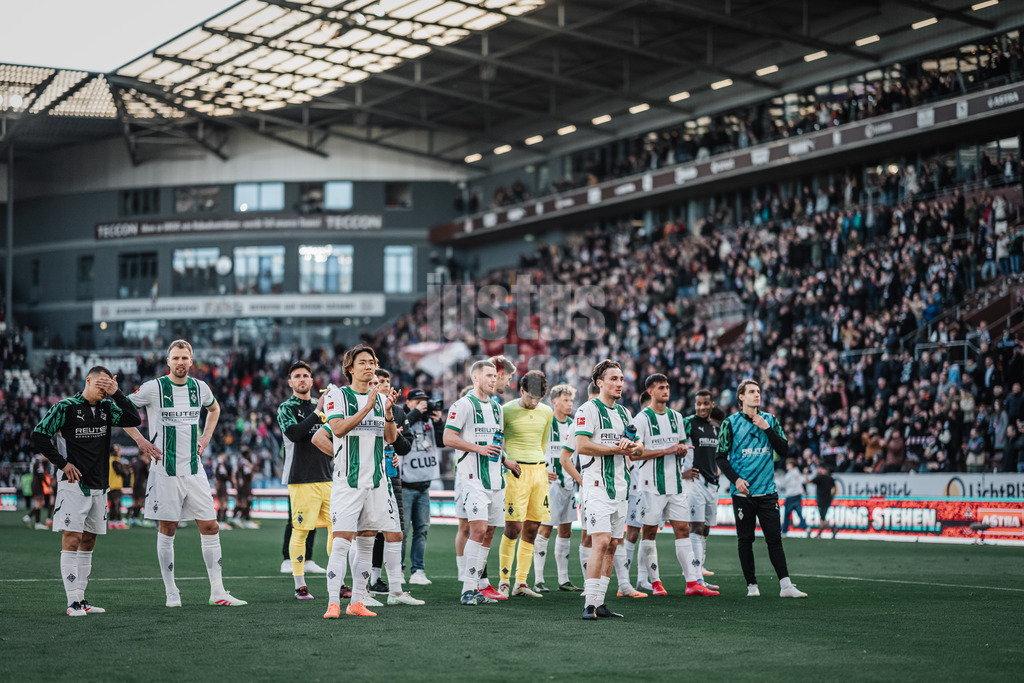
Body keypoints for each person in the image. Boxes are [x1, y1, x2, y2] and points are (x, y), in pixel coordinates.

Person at [124, 339, 247, 608]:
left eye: (184, 358)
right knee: (168, 529)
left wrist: (206, 437)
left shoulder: (200, 388)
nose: (180, 362)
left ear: (191, 361)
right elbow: (120, 409)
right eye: (176, 358)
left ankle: (218, 591)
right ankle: (171, 591)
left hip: (194, 469)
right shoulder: (154, 388)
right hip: (164, 471)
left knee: (211, 526)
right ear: (168, 361)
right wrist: (140, 441)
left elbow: (214, 409)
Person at [31, 365, 141, 616]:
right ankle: (72, 602)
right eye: (101, 384)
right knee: (72, 539)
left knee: (89, 540)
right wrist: (62, 463)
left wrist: (117, 393)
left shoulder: (107, 408)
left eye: (108, 384)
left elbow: (133, 419)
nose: (104, 389)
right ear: (88, 381)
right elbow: (39, 435)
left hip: (100, 485)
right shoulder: (65, 407)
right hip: (73, 485)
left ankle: (81, 598)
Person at [312, 344, 404, 619]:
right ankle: (333, 602)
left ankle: (357, 601)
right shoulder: (338, 395)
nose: (369, 366)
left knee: (366, 543)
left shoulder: (380, 399)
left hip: (377, 482)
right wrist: (367, 408)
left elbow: (390, 438)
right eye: (363, 362)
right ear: (350, 368)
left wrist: (388, 412)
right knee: (341, 542)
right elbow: (338, 429)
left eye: (372, 362)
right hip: (348, 483)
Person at [716, 379, 807, 599]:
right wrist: (736, 480)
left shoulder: (770, 420)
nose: (757, 395)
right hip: (743, 493)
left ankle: (786, 586)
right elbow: (720, 457)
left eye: (758, 391)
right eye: (751, 392)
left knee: (774, 539)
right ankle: (752, 586)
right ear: (741, 396)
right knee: (745, 539)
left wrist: (767, 429)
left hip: (767, 491)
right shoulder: (730, 423)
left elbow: (784, 450)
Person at [631, 374, 716, 597]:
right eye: (661, 387)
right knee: (649, 532)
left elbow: (680, 447)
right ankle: (655, 582)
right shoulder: (641, 420)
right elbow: (633, 454)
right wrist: (666, 450)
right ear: (651, 391)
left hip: (675, 483)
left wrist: (679, 451)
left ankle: (692, 582)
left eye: (667, 387)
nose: (666, 391)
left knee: (683, 530)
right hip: (650, 485)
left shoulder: (676, 417)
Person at [444, 359, 517, 606]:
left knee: (489, 532)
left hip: (496, 479)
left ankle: (478, 587)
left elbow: (495, 443)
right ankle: (467, 589)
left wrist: (505, 460)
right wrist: (479, 448)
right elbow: (448, 438)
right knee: (478, 529)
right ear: (475, 378)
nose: (493, 380)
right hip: (473, 479)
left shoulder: (497, 408)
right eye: (488, 375)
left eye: (495, 376)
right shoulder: (463, 405)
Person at [576, 359, 642, 620]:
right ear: (599, 383)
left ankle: (600, 602)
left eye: (621, 379)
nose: (619, 383)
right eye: (614, 379)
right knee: (601, 541)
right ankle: (588, 605)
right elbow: (582, 445)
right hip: (596, 486)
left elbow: (639, 449)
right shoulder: (588, 409)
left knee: (613, 544)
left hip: (620, 487)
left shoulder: (625, 413)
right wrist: (616, 449)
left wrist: (632, 447)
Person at [276, 360, 332, 600]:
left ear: (312, 381)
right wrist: (318, 412)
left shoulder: (323, 406)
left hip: (327, 477)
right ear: (290, 383)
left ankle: (338, 582)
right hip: (300, 478)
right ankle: (300, 586)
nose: (301, 379)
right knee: (300, 531)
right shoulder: (286, 408)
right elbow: (296, 434)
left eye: (305, 376)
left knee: (337, 530)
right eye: (297, 376)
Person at [498, 370, 553, 599]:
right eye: (530, 397)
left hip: (539, 473)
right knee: (513, 528)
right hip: (516, 474)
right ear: (521, 390)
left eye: (538, 398)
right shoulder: (506, 410)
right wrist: (505, 461)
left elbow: (543, 444)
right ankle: (503, 581)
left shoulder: (547, 412)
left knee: (532, 529)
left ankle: (521, 582)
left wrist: (541, 468)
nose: (534, 402)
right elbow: (496, 441)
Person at [368, 368, 418, 603]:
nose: (384, 384)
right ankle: (366, 584)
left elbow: (406, 446)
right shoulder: (363, 407)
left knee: (394, 531)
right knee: (367, 532)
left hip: (392, 478)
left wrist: (394, 442)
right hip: (367, 477)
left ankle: (391, 587)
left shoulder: (397, 411)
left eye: (386, 380)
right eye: (379, 381)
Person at [533, 383, 580, 593]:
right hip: (549, 484)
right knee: (545, 529)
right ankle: (538, 580)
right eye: (565, 400)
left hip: (568, 484)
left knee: (566, 529)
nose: (570, 404)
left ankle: (564, 579)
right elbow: (532, 448)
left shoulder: (573, 425)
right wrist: (541, 470)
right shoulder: (545, 423)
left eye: (571, 400)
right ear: (554, 402)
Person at [400, 388, 444, 585]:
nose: (423, 405)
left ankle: (418, 570)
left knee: (422, 530)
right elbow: (400, 426)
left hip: (424, 485)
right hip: (405, 484)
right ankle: (398, 570)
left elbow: (442, 442)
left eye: (424, 401)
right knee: (402, 532)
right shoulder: (402, 416)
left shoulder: (429, 420)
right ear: (408, 403)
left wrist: (439, 422)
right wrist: (416, 412)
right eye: (418, 402)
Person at [683, 389, 721, 585]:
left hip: (712, 483)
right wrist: (682, 473)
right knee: (696, 527)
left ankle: (700, 566)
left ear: (712, 405)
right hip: (694, 482)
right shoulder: (687, 423)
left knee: (705, 528)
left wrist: (718, 469)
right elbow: (676, 448)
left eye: (705, 403)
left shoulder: (716, 428)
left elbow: (719, 454)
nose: (701, 407)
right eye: (698, 404)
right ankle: (696, 575)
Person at [779, 458, 807, 535]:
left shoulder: (793, 473)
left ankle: (784, 530)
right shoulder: (794, 472)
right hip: (796, 495)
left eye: (788, 464)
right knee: (798, 513)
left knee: (787, 513)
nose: (786, 466)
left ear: (792, 465)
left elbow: (784, 484)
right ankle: (805, 527)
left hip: (792, 495)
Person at [232, 447, 258, 529]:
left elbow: (234, 472)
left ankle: (235, 518)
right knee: (247, 502)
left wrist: (235, 481)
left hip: (240, 485)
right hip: (245, 485)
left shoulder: (239, 461)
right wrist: (252, 469)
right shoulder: (246, 463)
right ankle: (244, 520)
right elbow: (248, 474)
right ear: (247, 454)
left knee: (240, 502)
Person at [810, 465, 837, 539]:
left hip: (821, 500)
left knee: (822, 517)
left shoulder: (820, 478)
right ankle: (832, 529)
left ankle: (820, 533)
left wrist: (806, 474)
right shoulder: (830, 479)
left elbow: (808, 482)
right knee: (823, 517)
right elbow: (834, 489)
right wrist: (832, 497)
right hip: (827, 500)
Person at [128, 451, 152, 527]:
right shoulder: (142, 464)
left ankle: (132, 518)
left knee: (136, 503)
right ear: (143, 454)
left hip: (135, 485)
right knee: (140, 502)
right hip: (140, 485)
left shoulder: (135, 462)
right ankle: (133, 518)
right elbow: (146, 475)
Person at [107, 445, 127, 530]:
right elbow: (120, 473)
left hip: (110, 485)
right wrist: (126, 471)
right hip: (116, 486)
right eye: (119, 451)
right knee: (117, 504)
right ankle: (118, 522)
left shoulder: (108, 460)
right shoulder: (116, 461)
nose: (120, 452)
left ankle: (111, 522)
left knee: (112, 505)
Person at [213, 452, 233, 531]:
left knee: (221, 504)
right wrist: (230, 478)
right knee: (223, 503)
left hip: (220, 485)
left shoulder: (218, 464)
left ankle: (220, 522)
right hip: (222, 486)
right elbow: (223, 475)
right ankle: (222, 522)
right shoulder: (220, 465)